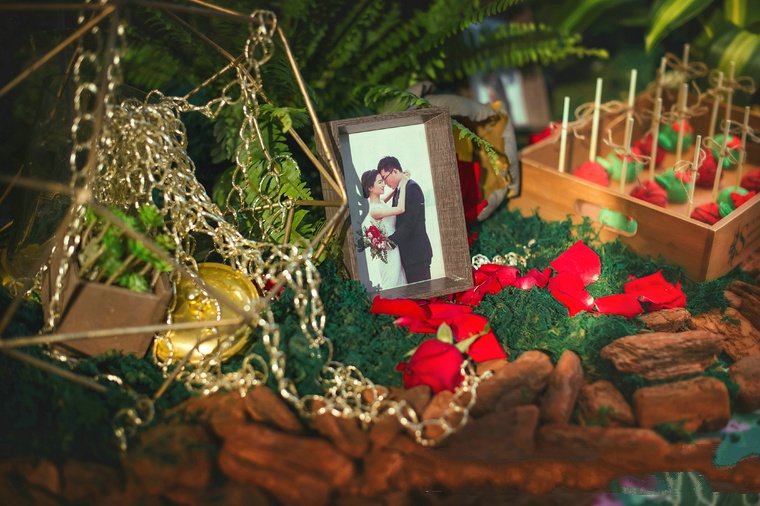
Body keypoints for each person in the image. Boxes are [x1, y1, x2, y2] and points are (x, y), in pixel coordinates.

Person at [377, 156, 432, 283]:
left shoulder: (412, 188)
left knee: (422, 292)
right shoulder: (399, 190)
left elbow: (409, 223)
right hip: (407, 256)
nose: (384, 183)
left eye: (385, 178)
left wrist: (389, 242)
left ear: (395, 171)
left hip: (417, 256)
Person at [359, 169, 408, 289]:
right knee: (392, 283)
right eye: (380, 182)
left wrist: (396, 186)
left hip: (393, 248)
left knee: (400, 281)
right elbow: (401, 209)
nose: (383, 184)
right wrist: (404, 183)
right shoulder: (375, 210)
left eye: (383, 181)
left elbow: (385, 199)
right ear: (370, 188)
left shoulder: (379, 202)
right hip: (389, 253)